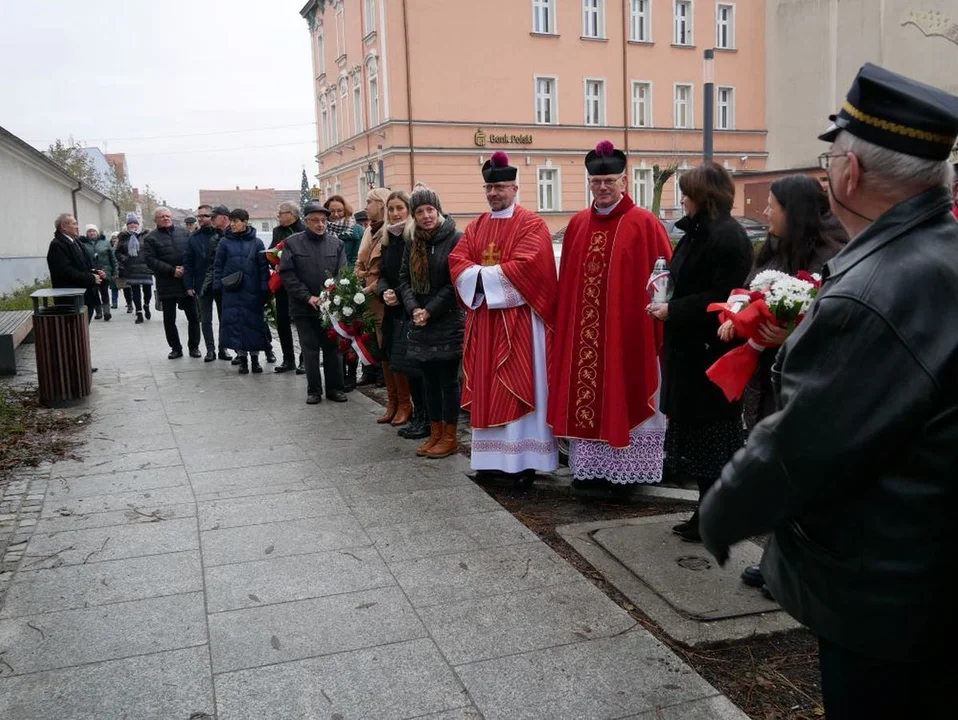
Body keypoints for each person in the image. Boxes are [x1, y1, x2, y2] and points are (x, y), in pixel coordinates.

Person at [699, 64, 958, 719]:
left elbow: (802, 444)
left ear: (849, 173)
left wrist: (723, 510)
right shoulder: (940, 251)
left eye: (829, 159)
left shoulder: (871, 294)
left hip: (886, 596)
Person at [717, 176, 848, 594]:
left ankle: (794, 567)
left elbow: (838, 323)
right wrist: (737, 314)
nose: (767, 212)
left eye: (774, 206)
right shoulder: (772, 247)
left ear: (797, 212)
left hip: (810, 383)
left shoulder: (833, 254)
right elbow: (749, 290)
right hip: (768, 377)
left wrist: (794, 334)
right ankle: (777, 558)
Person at [548, 141, 673, 489]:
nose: (602, 188)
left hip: (626, 333)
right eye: (595, 181)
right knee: (586, 396)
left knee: (624, 388)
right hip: (583, 337)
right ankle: (591, 470)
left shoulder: (643, 223)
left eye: (609, 181)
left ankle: (627, 473)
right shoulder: (577, 224)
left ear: (624, 180)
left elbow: (664, 278)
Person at [647, 162, 753, 540]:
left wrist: (674, 309)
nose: (682, 199)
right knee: (697, 440)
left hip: (711, 354)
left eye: (687, 193)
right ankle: (704, 512)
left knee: (712, 443)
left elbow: (722, 296)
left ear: (704, 197)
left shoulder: (728, 237)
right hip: (689, 351)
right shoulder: (696, 232)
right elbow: (682, 276)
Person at [449, 152, 559, 482]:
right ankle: (490, 460)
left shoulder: (531, 223)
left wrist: (481, 275)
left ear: (514, 187)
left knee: (519, 382)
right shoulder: (477, 226)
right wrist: (482, 276)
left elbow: (532, 266)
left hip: (520, 324)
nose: (494, 194)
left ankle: (524, 461)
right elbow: (458, 260)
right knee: (487, 386)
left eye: (499, 187)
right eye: (488, 188)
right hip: (485, 324)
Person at [398, 187, 464, 459]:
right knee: (428, 380)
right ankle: (435, 433)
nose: (426, 216)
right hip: (420, 321)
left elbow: (455, 281)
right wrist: (414, 308)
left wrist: (430, 311)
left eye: (431, 210)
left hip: (447, 320)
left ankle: (449, 435)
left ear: (438, 211)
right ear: (414, 215)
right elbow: (404, 278)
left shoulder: (455, 238)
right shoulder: (413, 242)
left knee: (447, 381)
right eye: (420, 211)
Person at [279, 201, 348, 404]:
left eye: (323, 220)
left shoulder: (336, 244)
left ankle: (335, 388)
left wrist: (329, 296)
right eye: (315, 220)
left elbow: (342, 273)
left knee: (332, 349)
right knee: (309, 349)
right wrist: (307, 297)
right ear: (306, 221)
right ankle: (314, 390)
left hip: (329, 307)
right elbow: (288, 275)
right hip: (303, 307)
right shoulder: (293, 243)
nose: (320, 225)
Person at [377, 190, 430, 439]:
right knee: (394, 357)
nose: (395, 213)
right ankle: (408, 410)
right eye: (391, 209)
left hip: (411, 309)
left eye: (400, 208)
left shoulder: (413, 237)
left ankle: (422, 417)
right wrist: (385, 291)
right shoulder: (388, 239)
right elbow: (384, 273)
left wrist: (399, 294)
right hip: (392, 309)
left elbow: (413, 276)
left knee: (415, 367)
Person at [212, 209, 270, 374]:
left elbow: (263, 267)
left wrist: (264, 287)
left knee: (253, 324)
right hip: (232, 290)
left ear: (245, 222)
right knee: (236, 324)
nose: (233, 224)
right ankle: (243, 359)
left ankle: (255, 359)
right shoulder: (224, 242)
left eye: (236, 221)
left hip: (252, 290)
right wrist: (217, 285)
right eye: (231, 221)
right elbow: (218, 266)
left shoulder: (257, 243)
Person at [355, 188, 398, 407]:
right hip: (368, 298)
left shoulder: (390, 231)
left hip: (382, 298)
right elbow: (359, 262)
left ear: (381, 204)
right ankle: (392, 401)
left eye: (370, 202)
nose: (365, 206)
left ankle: (399, 402)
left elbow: (386, 270)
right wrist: (353, 284)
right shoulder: (368, 230)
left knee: (388, 348)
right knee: (377, 347)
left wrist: (369, 289)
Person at [143, 206, 201, 359]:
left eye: (167, 216)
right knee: (169, 319)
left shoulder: (184, 233)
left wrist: (185, 268)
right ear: (156, 220)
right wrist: (171, 270)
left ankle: (194, 347)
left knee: (193, 316)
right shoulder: (150, 238)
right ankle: (175, 348)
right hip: (166, 282)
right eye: (162, 216)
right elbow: (150, 260)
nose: (165, 218)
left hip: (185, 282)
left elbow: (192, 253)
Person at [270, 202, 306, 373]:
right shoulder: (277, 231)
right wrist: (273, 262)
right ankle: (288, 359)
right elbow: (271, 251)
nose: (279, 216)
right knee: (282, 321)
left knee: (301, 321)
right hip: (282, 283)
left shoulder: (303, 229)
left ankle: (304, 359)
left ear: (292, 214)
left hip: (300, 282)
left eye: (281, 213)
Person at [46, 213, 103, 322]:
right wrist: (91, 278)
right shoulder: (57, 245)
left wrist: (96, 272)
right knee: (73, 330)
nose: (77, 226)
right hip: (70, 297)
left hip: (84, 294)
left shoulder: (76, 241)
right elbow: (65, 271)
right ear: (63, 227)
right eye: (74, 224)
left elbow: (83, 265)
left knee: (83, 328)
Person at [185, 205, 224, 361]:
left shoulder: (222, 235)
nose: (200, 218)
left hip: (221, 283)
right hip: (201, 284)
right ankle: (210, 349)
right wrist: (188, 284)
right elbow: (187, 262)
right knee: (205, 319)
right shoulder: (193, 237)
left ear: (212, 217)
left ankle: (223, 349)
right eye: (199, 216)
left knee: (224, 318)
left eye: (205, 215)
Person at [115, 215, 154, 323]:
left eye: (135, 223)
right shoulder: (123, 237)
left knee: (148, 292)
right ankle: (139, 313)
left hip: (146, 268)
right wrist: (125, 259)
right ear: (127, 226)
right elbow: (117, 252)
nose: (133, 225)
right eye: (130, 223)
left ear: (138, 225)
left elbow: (152, 249)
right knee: (135, 292)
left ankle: (146, 305)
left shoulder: (146, 235)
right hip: (131, 268)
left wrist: (150, 260)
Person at [81, 224, 117, 321]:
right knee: (94, 292)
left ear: (97, 232)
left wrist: (115, 271)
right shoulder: (83, 244)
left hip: (104, 271)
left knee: (104, 291)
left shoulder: (105, 243)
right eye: (89, 231)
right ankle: (98, 312)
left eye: (93, 231)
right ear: (86, 233)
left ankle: (107, 312)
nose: (92, 233)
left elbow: (112, 258)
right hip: (91, 272)